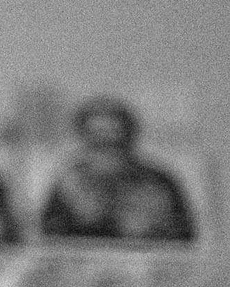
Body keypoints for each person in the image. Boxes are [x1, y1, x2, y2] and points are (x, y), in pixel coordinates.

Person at [40, 96, 195, 244]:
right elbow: (49, 239)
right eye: (96, 140)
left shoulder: (158, 182)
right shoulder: (69, 182)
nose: (106, 148)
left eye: (115, 141)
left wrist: (154, 227)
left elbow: (184, 238)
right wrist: (79, 217)